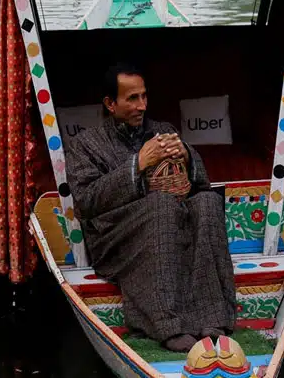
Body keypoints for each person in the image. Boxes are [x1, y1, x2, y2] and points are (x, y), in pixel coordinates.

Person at [66, 63, 235, 353]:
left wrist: (187, 156)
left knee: (208, 202)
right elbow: (86, 201)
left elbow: (200, 183)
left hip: (172, 220)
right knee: (161, 204)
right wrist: (138, 163)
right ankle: (166, 325)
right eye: (132, 98)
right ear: (110, 103)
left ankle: (213, 318)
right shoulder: (85, 144)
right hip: (114, 238)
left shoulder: (162, 130)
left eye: (144, 96)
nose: (141, 105)